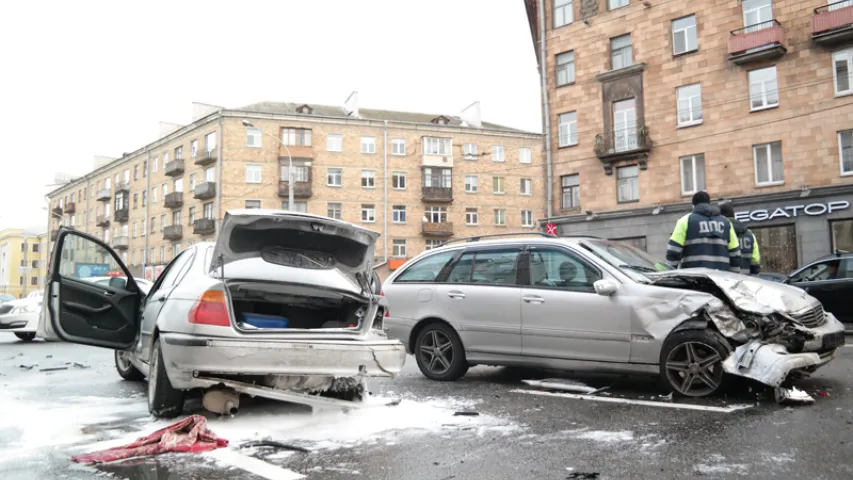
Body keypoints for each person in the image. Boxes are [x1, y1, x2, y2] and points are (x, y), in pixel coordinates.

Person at [666, 191, 740, 271]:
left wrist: (669, 273)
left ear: (693, 206)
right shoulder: (726, 222)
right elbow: (735, 253)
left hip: (694, 277)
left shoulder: (685, 221)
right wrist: (733, 275)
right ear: (709, 203)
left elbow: (673, 250)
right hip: (721, 277)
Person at [720, 203, 761, 276]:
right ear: (734, 215)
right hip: (746, 281)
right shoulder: (750, 235)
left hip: (726, 281)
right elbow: (755, 261)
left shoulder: (721, 233)